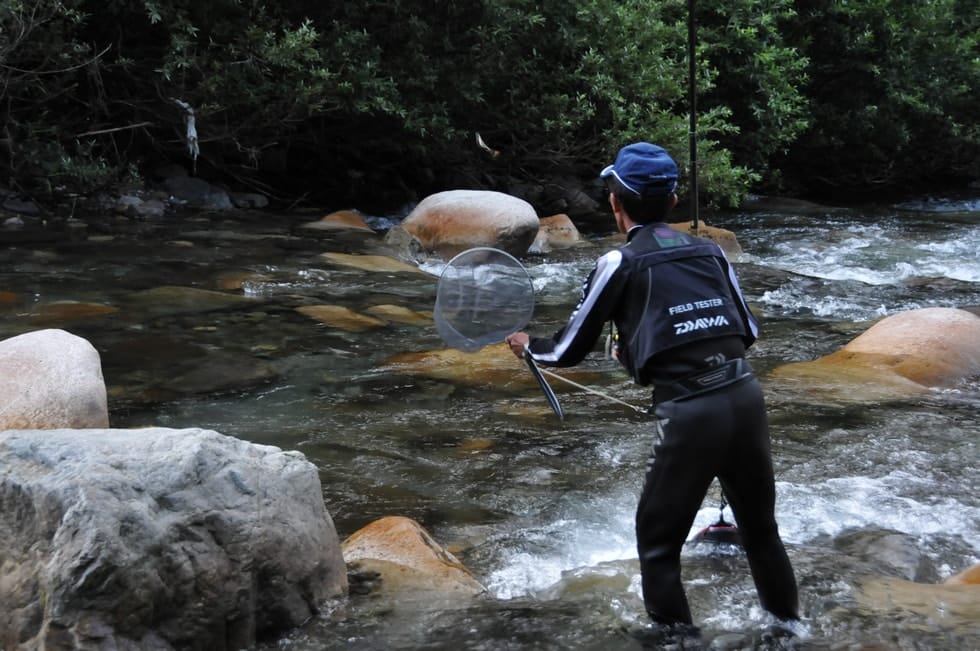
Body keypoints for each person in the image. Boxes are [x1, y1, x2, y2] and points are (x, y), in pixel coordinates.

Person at [505, 142, 800, 633]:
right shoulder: (711, 251)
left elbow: (567, 351)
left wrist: (526, 345)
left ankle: (677, 643)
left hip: (690, 414)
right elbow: (746, 331)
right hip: (745, 398)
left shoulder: (617, 263)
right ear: (674, 201)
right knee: (762, 532)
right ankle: (790, 633)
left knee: (658, 544)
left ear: (616, 203)